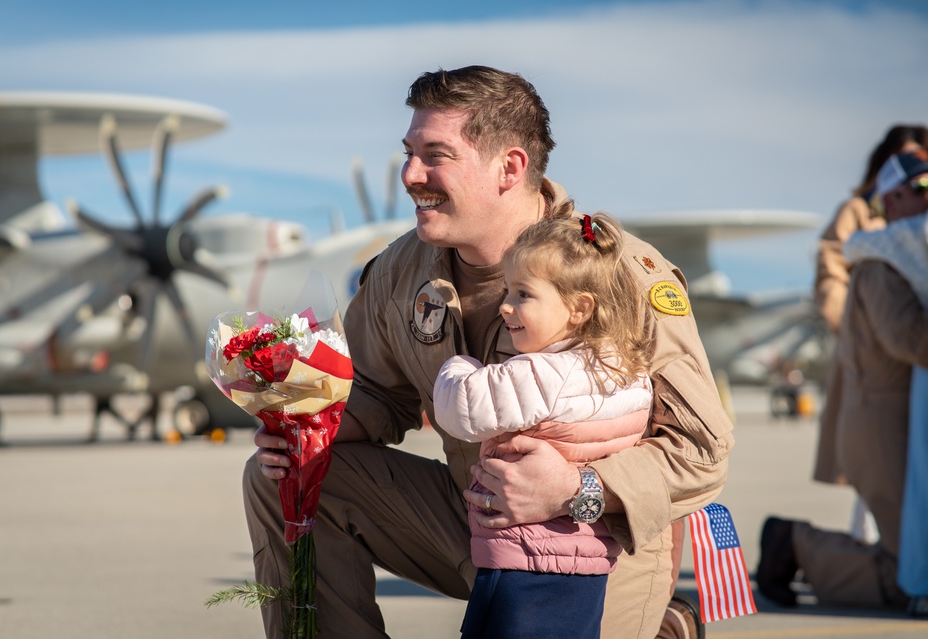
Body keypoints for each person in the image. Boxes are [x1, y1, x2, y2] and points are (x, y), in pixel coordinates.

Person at [243, 65, 732, 639]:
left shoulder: (616, 274)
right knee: (287, 477)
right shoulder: (400, 270)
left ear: (510, 167)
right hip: (473, 515)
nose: (410, 175)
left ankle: (658, 625)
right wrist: (307, 427)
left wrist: (579, 489)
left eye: (435, 155)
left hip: (591, 542)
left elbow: (702, 449)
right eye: (408, 152)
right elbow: (374, 393)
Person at [433, 211, 655, 638]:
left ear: (578, 308)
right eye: (506, 290)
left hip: (523, 557)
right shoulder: (629, 371)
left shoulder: (542, 373)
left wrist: (460, 365)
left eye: (523, 294)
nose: (505, 305)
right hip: (587, 559)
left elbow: (462, 410)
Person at [757, 151, 928, 613]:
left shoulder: (901, 258)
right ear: (890, 201)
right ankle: (794, 545)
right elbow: (912, 339)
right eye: (923, 190)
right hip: (881, 428)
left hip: (890, 422)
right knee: (908, 576)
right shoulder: (880, 265)